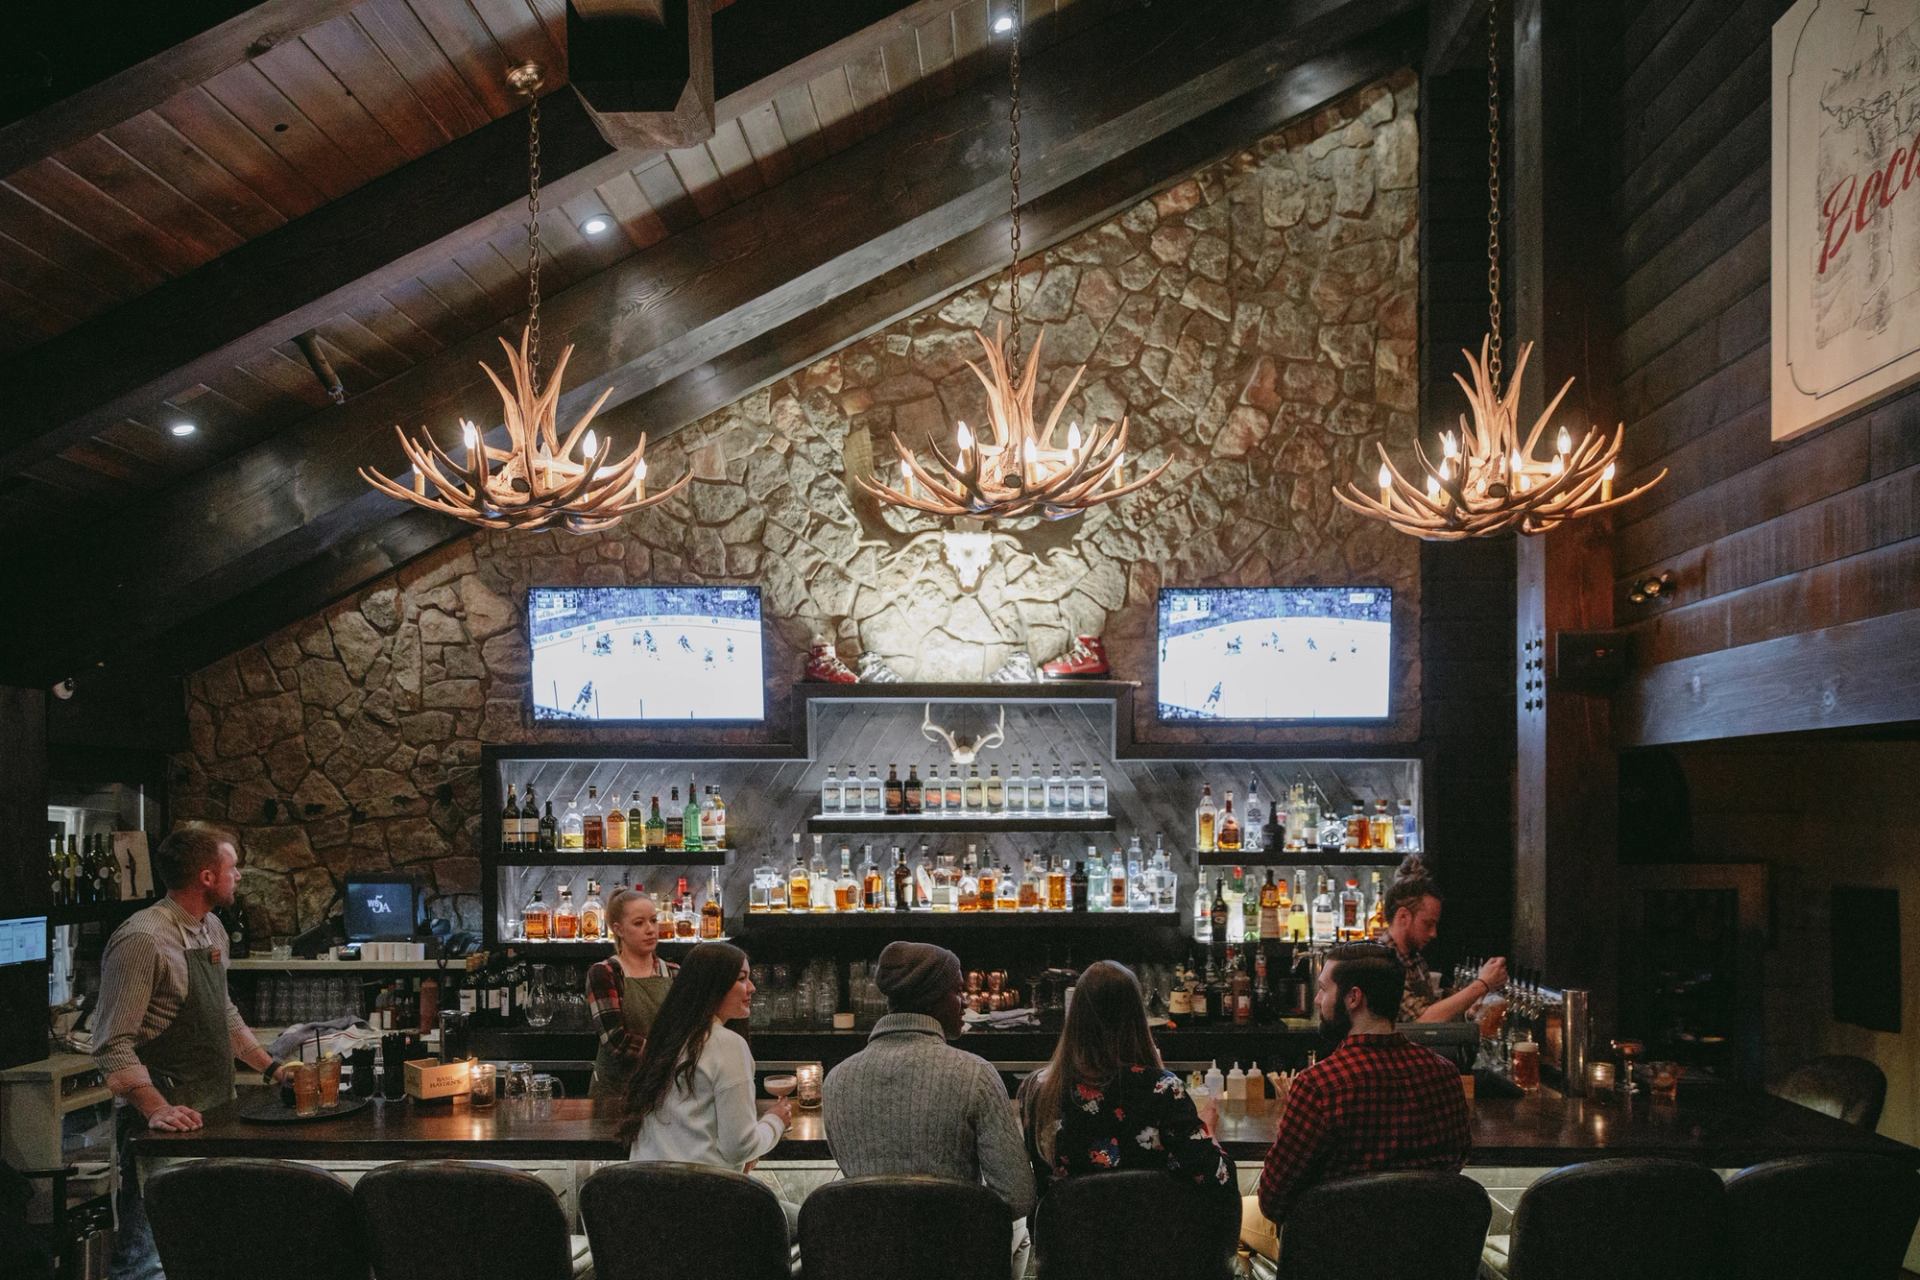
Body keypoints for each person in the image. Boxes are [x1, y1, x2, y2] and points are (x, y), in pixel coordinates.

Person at [92, 823, 298, 1280]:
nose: (239, 875)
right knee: (146, 1261)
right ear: (207, 876)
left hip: (215, 1114)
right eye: (233, 866)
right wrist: (156, 1109)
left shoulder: (212, 930)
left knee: (208, 1253)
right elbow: (111, 1043)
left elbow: (222, 1013)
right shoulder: (142, 939)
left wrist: (273, 1069)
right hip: (165, 1127)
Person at [1240, 942, 1473, 1264]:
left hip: (1333, 1257)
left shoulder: (1319, 1085)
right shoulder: (1446, 1075)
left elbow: (1274, 1200)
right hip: (1425, 1256)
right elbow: (1456, 1163)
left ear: (1353, 998)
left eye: (1323, 989)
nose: (1319, 999)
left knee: (1239, 1212)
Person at [823, 942, 1035, 1268]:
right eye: (958, 992)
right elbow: (1018, 1195)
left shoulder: (836, 1081)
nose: (964, 1003)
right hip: (955, 1261)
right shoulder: (975, 1074)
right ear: (934, 997)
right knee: (1021, 1233)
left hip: (870, 1260)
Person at [1018, 961, 1234, 1200]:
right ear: (1136, 1017)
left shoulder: (1036, 1089)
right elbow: (1218, 1180)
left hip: (1065, 1235)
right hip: (1152, 1235)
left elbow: (1034, 1188)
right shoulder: (1163, 1089)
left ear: (1075, 1016)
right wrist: (1208, 1130)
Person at [619, 942, 795, 1224]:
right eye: (741, 979)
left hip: (645, 1214)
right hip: (707, 1212)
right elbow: (738, 1146)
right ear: (713, 986)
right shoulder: (727, 1045)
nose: (751, 988)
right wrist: (775, 1121)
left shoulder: (664, 1040)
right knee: (810, 1222)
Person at [1382, 855, 1506, 1022]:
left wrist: (1469, 1011)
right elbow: (1422, 1021)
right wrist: (1482, 984)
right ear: (1403, 917)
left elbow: (1430, 1010)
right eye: (1428, 924)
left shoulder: (1414, 958)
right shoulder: (1382, 962)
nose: (1434, 933)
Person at [586, 889, 678, 1101]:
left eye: (653, 921)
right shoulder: (604, 972)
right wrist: (671, 1053)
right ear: (618, 929)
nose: (650, 929)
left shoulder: (674, 972)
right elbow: (616, 1040)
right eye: (639, 923)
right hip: (617, 1094)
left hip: (663, 1091)